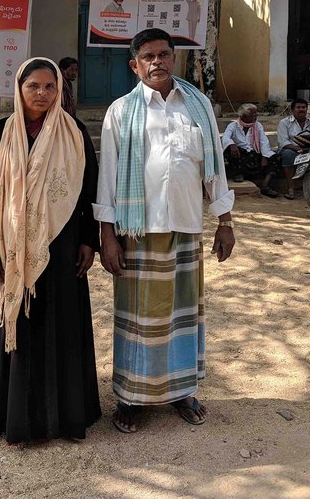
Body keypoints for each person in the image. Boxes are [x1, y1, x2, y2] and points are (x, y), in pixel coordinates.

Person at [93, 28, 236, 433]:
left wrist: (224, 221)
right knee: (140, 319)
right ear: (134, 64)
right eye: (149, 56)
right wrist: (107, 236)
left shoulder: (197, 105)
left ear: (174, 59)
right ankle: (132, 397)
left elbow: (214, 167)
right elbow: (109, 175)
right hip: (139, 231)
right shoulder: (121, 111)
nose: (158, 62)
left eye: (165, 55)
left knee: (183, 316)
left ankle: (182, 391)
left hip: (187, 225)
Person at [0, 57, 101, 444]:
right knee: (18, 328)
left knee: (61, 324)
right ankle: (14, 416)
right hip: (10, 252)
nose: (42, 94)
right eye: (34, 86)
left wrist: (88, 241)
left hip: (61, 252)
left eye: (50, 87)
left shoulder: (74, 132)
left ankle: (65, 415)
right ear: (19, 88)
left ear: (59, 90)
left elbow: (89, 191)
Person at [222, 103, 279, 197]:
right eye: (253, 114)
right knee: (228, 148)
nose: (256, 115)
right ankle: (238, 174)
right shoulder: (233, 125)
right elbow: (225, 138)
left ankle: (265, 185)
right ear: (244, 116)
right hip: (241, 156)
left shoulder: (258, 125)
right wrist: (232, 144)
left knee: (276, 157)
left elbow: (264, 142)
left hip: (255, 156)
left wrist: (265, 156)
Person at [276, 98, 310, 199]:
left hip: (309, 149)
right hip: (290, 149)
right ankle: (291, 188)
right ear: (292, 110)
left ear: (307, 109)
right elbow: (283, 142)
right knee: (288, 155)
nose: (301, 109)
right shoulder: (284, 122)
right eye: (298, 107)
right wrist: (297, 148)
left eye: (303, 107)